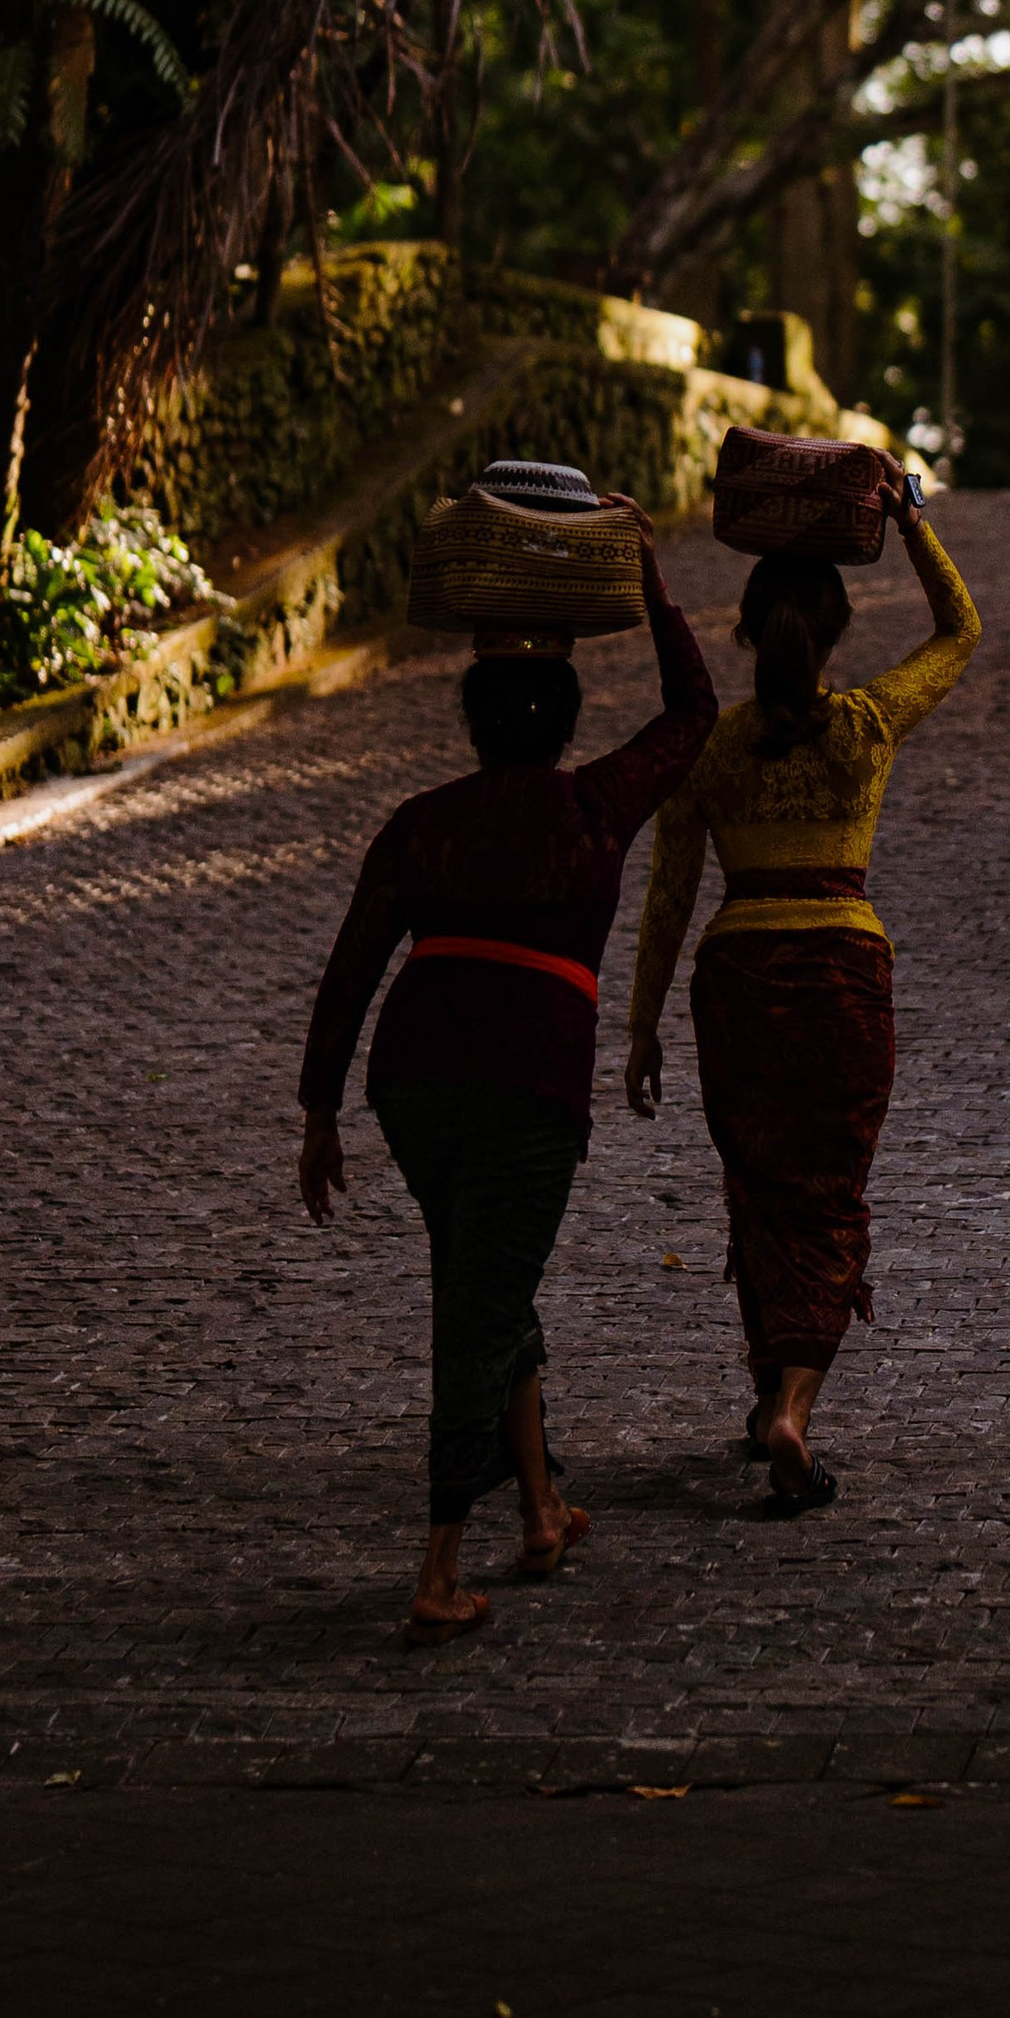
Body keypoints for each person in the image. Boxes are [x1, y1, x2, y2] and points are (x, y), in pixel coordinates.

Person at [296, 496, 715, 1639]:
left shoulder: (419, 822)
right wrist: (651, 583)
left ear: (473, 719)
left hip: (413, 1087)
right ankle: (438, 1566)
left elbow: (352, 965)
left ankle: (541, 1508)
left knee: (488, 1281)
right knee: (477, 1309)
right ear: (566, 720)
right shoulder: (596, 806)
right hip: (529, 1088)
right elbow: (693, 713)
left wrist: (318, 1108)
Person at [625, 458, 980, 1513]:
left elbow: (667, 898)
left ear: (747, 633)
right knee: (830, 1195)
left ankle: (766, 1392)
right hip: (842, 975)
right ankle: (792, 1408)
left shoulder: (713, 750)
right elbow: (959, 633)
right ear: (830, 638)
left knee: (761, 1190)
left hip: (736, 977)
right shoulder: (864, 728)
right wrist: (911, 524)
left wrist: (640, 1027)